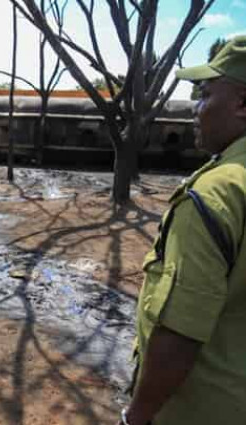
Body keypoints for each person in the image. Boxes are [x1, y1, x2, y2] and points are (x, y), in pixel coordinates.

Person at [120, 36, 246, 425]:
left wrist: (136, 417)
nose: (196, 109)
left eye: (205, 95)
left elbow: (179, 334)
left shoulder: (216, 193)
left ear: (243, 102)